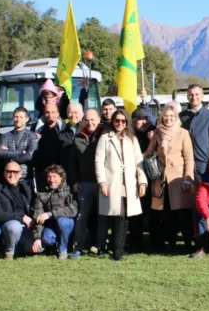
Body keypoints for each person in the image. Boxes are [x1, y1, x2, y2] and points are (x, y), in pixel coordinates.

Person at [95, 109, 148, 261]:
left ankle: (119, 247)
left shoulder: (132, 139)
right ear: (112, 121)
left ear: (127, 122)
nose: (120, 124)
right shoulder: (105, 138)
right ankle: (117, 250)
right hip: (113, 182)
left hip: (129, 183)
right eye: (117, 121)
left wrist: (142, 182)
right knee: (118, 215)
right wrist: (102, 182)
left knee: (125, 216)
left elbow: (140, 162)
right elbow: (99, 162)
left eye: (123, 121)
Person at [143, 105, 195, 252]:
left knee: (182, 212)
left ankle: (188, 243)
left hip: (178, 178)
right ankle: (169, 243)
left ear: (176, 118)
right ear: (162, 117)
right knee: (164, 212)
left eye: (172, 116)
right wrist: (135, 158)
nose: (168, 119)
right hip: (160, 177)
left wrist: (188, 177)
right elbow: (149, 151)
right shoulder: (157, 133)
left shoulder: (183, 133)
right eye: (166, 116)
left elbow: (189, 157)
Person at [24, 164, 78, 259]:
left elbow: (73, 209)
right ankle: (55, 246)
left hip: (68, 224)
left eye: (54, 176)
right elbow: (38, 215)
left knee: (62, 221)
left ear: (61, 177)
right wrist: (37, 238)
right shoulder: (41, 194)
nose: (51, 179)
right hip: (52, 226)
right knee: (46, 238)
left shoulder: (69, 190)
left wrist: (50, 214)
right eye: (49, 176)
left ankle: (63, 250)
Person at [69, 110, 103, 258]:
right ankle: (78, 247)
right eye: (87, 120)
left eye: (93, 119)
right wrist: (75, 181)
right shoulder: (77, 138)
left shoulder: (105, 135)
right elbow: (73, 163)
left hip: (103, 183)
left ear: (99, 119)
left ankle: (100, 245)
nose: (90, 123)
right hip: (85, 183)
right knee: (82, 216)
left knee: (102, 216)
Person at [0, 161, 34, 261]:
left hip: (27, 225)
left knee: (37, 248)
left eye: (15, 172)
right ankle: (9, 252)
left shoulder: (26, 187)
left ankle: (20, 248)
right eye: (9, 171)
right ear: (4, 173)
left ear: (20, 174)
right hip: (8, 225)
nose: (12, 174)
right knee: (14, 226)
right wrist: (21, 217)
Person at [180, 84, 209, 180]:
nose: (194, 97)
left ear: (202, 96)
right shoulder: (181, 117)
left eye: (197, 94)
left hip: (203, 164)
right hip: (184, 163)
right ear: (187, 97)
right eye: (191, 95)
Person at [0, 107, 38, 183]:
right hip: (9, 177)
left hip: (25, 178)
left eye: (21, 117)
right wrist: (21, 152)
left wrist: (11, 158)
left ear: (27, 119)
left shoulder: (31, 136)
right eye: (16, 117)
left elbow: (29, 156)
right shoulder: (5, 136)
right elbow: (0, 152)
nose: (18, 119)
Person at [33, 102, 65, 190]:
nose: (50, 115)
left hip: (60, 172)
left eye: (53, 112)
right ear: (43, 114)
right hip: (42, 172)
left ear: (58, 113)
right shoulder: (36, 129)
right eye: (47, 112)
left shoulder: (64, 129)